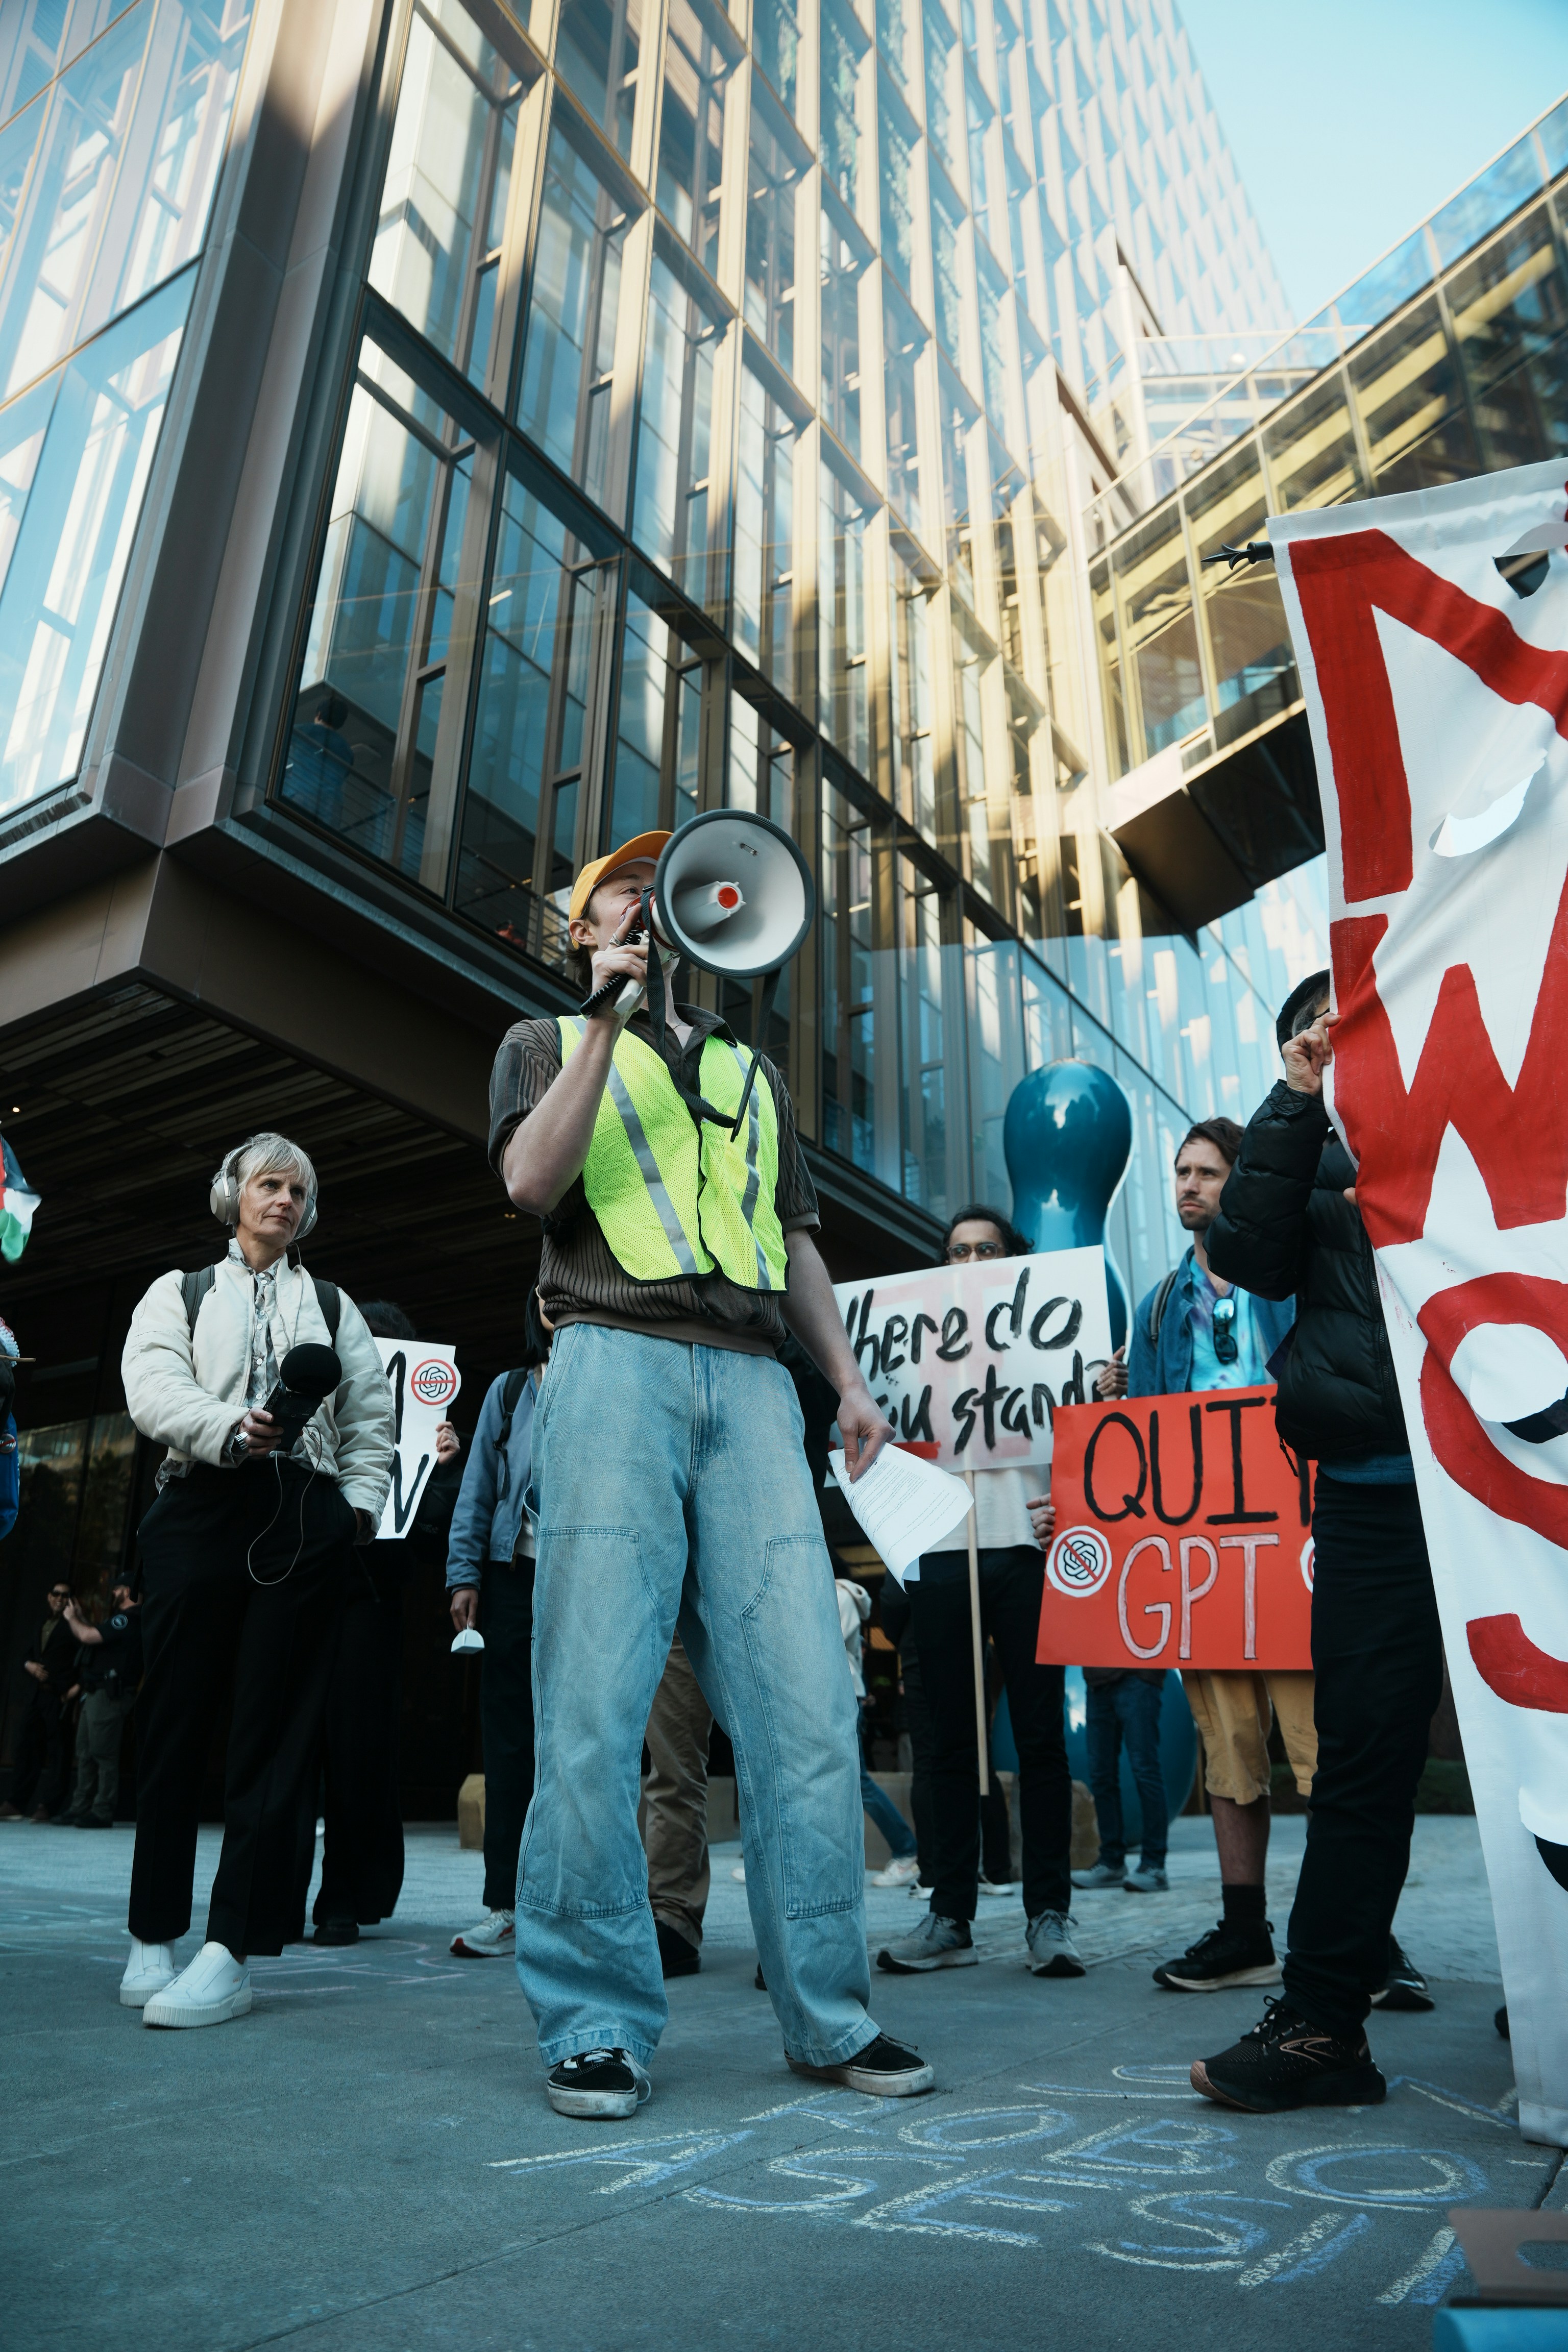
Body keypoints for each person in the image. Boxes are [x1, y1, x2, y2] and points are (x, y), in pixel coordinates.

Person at [492, 830, 931, 2117]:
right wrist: (602, 1024)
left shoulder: (746, 1066)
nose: (647, 896)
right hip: (610, 1362)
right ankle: (591, 2018)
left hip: (749, 1387)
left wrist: (845, 1381)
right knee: (590, 1711)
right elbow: (529, 1179)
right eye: (617, 886)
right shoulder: (538, 1042)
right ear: (583, 931)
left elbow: (789, 1235)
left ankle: (831, 2018)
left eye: (657, 880)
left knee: (803, 1715)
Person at [1191, 973, 1438, 2112]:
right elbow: (1244, 1247)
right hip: (1380, 1490)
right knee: (1361, 1762)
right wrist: (1301, 1097)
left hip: (1517, 1487)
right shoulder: (1318, 1155)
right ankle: (1324, 2026)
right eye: (1319, 1030)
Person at [117, 1132, 394, 2027]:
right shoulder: (180, 1290)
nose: (285, 1199)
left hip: (301, 1516)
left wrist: (351, 1511)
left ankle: (231, 1948)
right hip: (198, 1499)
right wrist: (229, 1429)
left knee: (275, 1735)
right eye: (269, 1183)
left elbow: (369, 1418)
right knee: (172, 1720)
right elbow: (150, 1383)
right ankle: (153, 1929)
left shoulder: (337, 1301)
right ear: (232, 1193)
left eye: (299, 1189)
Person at [1095, 1119, 1302, 1965]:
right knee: (1227, 1746)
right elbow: (1138, 1445)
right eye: (1181, 1171)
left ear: (1241, 1180)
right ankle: (1244, 1928)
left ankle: (1363, 1937)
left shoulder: (1291, 1278)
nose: (1188, 1185)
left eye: (1208, 1172)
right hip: (1200, 1560)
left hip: (1294, 1551)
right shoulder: (1153, 1307)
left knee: (1327, 1744)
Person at [874, 1207, 1067, 1979]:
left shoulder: (1054, 1342)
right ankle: (950, 1912)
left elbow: (1094, 1452)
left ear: (1012, 1261)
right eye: (957, 1252)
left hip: (1026, 1547)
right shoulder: (912, 1358)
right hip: (941, 1551)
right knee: (947, 1743)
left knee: (1042, 1737)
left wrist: (1074, 1504)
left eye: (986, 1250)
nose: (970, 1261)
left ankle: (1049, 1913)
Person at [290, 1298, 460, 1946]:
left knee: (359, 1749)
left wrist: (440, 1474)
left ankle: (344, 1897)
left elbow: (428, 1536)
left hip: (368, 1601)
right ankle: (277, 1897)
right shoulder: (309, 1396)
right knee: (290, 1747)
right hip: (301, 1589)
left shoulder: (424, 1435)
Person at [446, 1293, 549, 1963]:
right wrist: (464, 1573)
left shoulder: (612, 1376)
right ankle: (505, 1906)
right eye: (543, 1290)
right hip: (514, 1578)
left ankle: (572, 1906)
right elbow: (478, 1484)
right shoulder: (510, 1391)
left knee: (583, 1745)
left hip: (593, 1579)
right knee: (509, 1746)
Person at [838, 1572, 920, 1877]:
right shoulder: (832, 1592)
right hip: (836, 1694)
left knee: (858, 1782)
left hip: (842, 1695)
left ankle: (906, 1850)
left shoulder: (840, 1594)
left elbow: (821, 1641)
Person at [1071, 1665, 1170, 1895]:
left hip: (1139, 1675)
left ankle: (1155, 1866)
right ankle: (1111, 1863)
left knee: (1145, 1770)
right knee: (1101, 1774)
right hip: (1097, 1681)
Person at [60, 1581, 142, 1827]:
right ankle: (80, 1807)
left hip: (109, 1697)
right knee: (85, 1752)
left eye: (117, 1589)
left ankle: (102, 1811)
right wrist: (82, 1618)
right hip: (98, 1695)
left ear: (127, 1591)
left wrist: (72, 1618)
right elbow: (97, 1634)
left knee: (103, 1755)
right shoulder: (125, 1621)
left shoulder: (128, 1620)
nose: (114, 1593)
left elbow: (88, 1636)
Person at [5, 1577, 81, 1821]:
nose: (60, 1598)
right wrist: (30, 1666)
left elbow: (87, 1658)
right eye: (56, 1594)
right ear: (49, 1597)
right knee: (27, 1748)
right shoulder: (41, 1622)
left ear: (71, 1601)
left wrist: (76, 1688)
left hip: (58, 1697)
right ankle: (17, 1803)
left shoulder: (75, 1626)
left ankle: (49, 1806)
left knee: (59, 1753)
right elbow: (25, 1654)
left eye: (65, 1595)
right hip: (36, 1696)